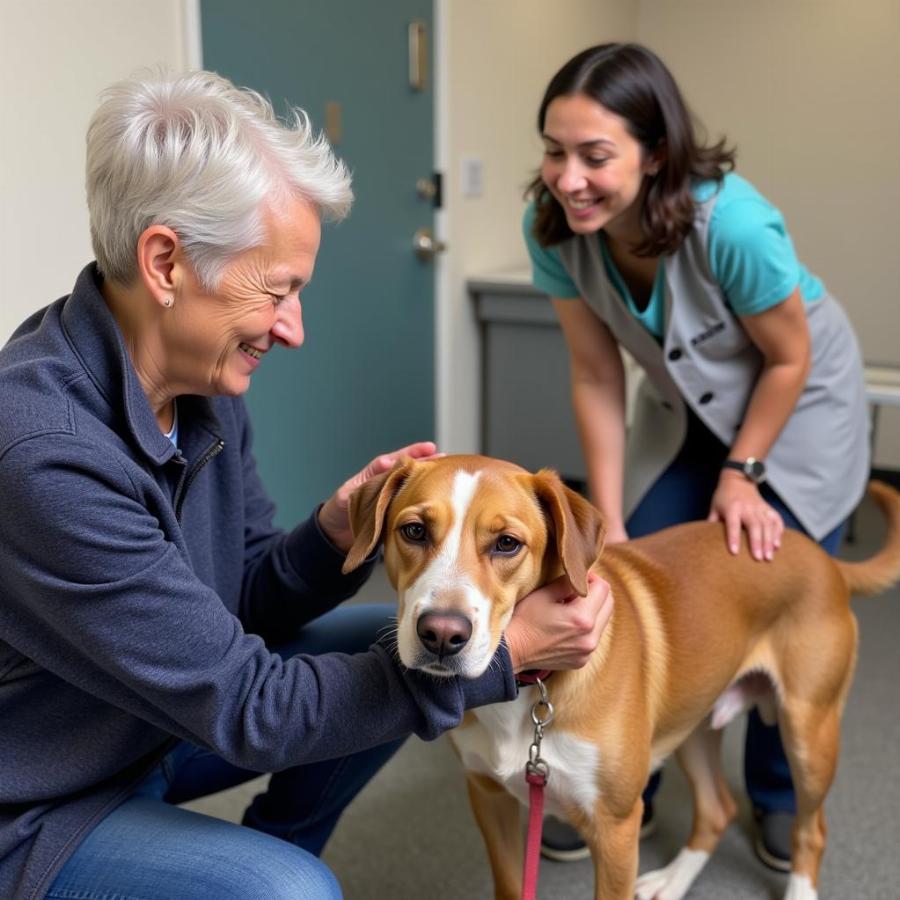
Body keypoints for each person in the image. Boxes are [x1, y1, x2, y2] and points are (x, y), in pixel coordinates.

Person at [0, 69, 615, 900]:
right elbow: (251, 706)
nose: (293, 328)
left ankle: (235, 859)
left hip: (141, 723)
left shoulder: (199, 386)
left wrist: (329, 534)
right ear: (165, 262)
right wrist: (508, 654)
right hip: (38, 798)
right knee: (291, 891)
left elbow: (240, 603)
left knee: (381, 642)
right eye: (278, 289)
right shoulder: (43, 453)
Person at [522, 43, 869, 869]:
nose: (568, 178)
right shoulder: (553, 227)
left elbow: (788, 360)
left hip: (799, 408)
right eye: (554, 149)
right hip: (686, 415)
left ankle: (779, 802)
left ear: (657, 154)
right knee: (637, 578)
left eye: (595, 156)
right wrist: (601, 521)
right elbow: (597, 373)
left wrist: (743, 474)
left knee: (769, 580)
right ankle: (611, 772)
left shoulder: (733, 224)